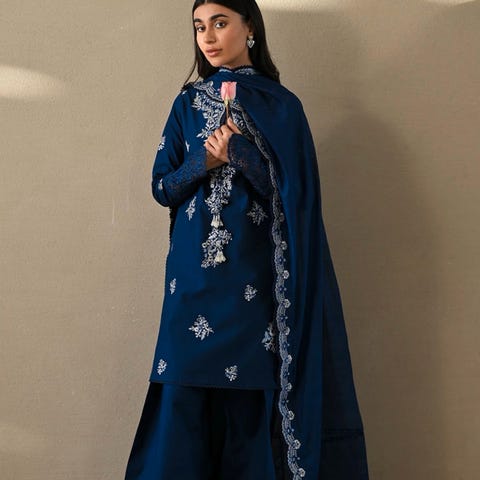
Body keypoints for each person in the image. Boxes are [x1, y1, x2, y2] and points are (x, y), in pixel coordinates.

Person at [124, 1, 369, 479]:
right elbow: (161, 187)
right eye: (200, 27)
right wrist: (205, 161)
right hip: (192, 283)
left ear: (249, 27)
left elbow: (295, 198)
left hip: (253, 284)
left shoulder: (282, 106)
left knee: (248, 403)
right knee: (182, 397)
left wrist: (239, 152)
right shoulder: (186, 105)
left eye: (220, 23)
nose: (208, 37)